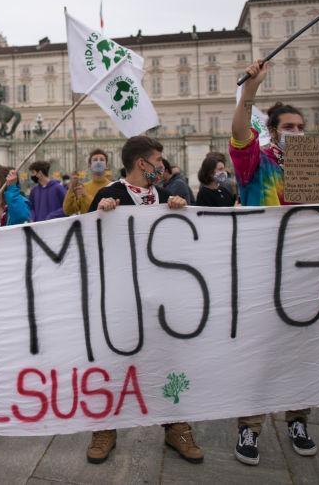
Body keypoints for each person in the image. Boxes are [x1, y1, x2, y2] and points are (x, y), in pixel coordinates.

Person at [229, 59, 319, 466]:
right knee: (260, 349)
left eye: (300, 127)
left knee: (301, 349)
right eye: (288, 127)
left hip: (306, 268)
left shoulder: (309, 161)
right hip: (262, 268)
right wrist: (250, 92)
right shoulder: (256, 161)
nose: (296, 132)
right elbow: (240, 133)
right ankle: (249, 424)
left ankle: (298, 418)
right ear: (271, 131)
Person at [83, 135, 201, 465]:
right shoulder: (110, 195)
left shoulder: (165, 196)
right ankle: (105, 427)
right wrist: (99, 214)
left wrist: (180, 212)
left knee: (167, 359)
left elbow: (180, 245)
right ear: (142, 164)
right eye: (158, 164)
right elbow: (85, 241)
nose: (161, 170)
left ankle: (176, 425)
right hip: (120, 297)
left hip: (161, 297)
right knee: (114, 361)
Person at [63, 149, 113, 216]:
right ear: (89, 165)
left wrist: (86, 195)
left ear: (106, 165)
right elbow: (68, 210)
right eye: (95, 160)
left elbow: (100, 210)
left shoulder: (112, 186)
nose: (98, 162)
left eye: (102, 160)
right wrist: (71, 187)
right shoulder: (83, 187)